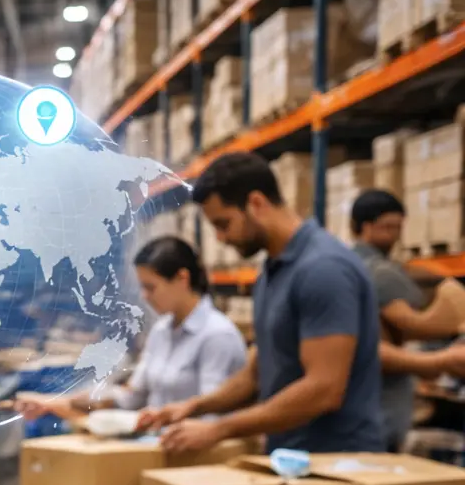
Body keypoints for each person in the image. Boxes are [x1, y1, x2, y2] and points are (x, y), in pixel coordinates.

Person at [138, 152, 386, 454]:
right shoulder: (273, 271)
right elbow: (258, 371)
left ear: (256, 203)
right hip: (292, 455)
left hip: (337, 461)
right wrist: (193, 407)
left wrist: (220, 429)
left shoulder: (324, 269)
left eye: (223, 224)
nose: (220, 238)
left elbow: (324, 389)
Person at [17, 237, 246, 422]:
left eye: (151, 287)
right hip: (158, 446)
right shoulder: (161, 331)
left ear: (182, 278)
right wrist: (53, 403)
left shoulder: (216, 336)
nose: (145, 296)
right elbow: (132, 397)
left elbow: (212, 417)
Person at [348, 189, 465, 451]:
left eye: (398, 227)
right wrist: (441, 356)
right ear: (364, 227)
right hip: (379, 403)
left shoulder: (346, 266)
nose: (394, 235)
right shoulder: (380, 273)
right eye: (386, 227)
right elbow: (413, 326)